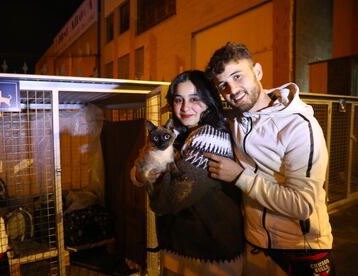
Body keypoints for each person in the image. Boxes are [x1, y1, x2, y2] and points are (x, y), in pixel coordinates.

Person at [204, 42, 334, 275]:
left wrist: (239, 176)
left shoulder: (299, 126)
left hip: (301, 248)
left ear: (258, 71)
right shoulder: (235, 119)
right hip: (254, 242)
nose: (232, 90)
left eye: (238, 76)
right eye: (223, 84)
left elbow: (301, 205)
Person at [131, 70, 245, 275]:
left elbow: (168, 200)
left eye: (194, 99)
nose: (184, 108)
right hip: (181, 248)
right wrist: (143, 174)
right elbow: (140, 169)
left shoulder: (210, 137)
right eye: (178, 100)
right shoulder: (179, 132)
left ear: (209, 101)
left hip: (212, 254)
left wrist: (147, 176)